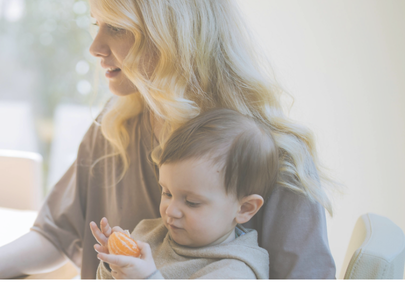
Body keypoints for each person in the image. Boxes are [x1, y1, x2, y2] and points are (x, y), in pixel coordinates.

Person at [0, 0, 336, 280]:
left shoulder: (275, 156)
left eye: (118, 28)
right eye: (95, 24)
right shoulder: (116, 124)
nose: (95, 47)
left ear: (174, 36)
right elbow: (57, 232)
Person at [92, 108, 277, 279]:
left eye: (191, 202)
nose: (171, 210)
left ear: (244, 208)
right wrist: (114, 263)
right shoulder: (148, 233)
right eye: (167, 193)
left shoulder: (235, 272)